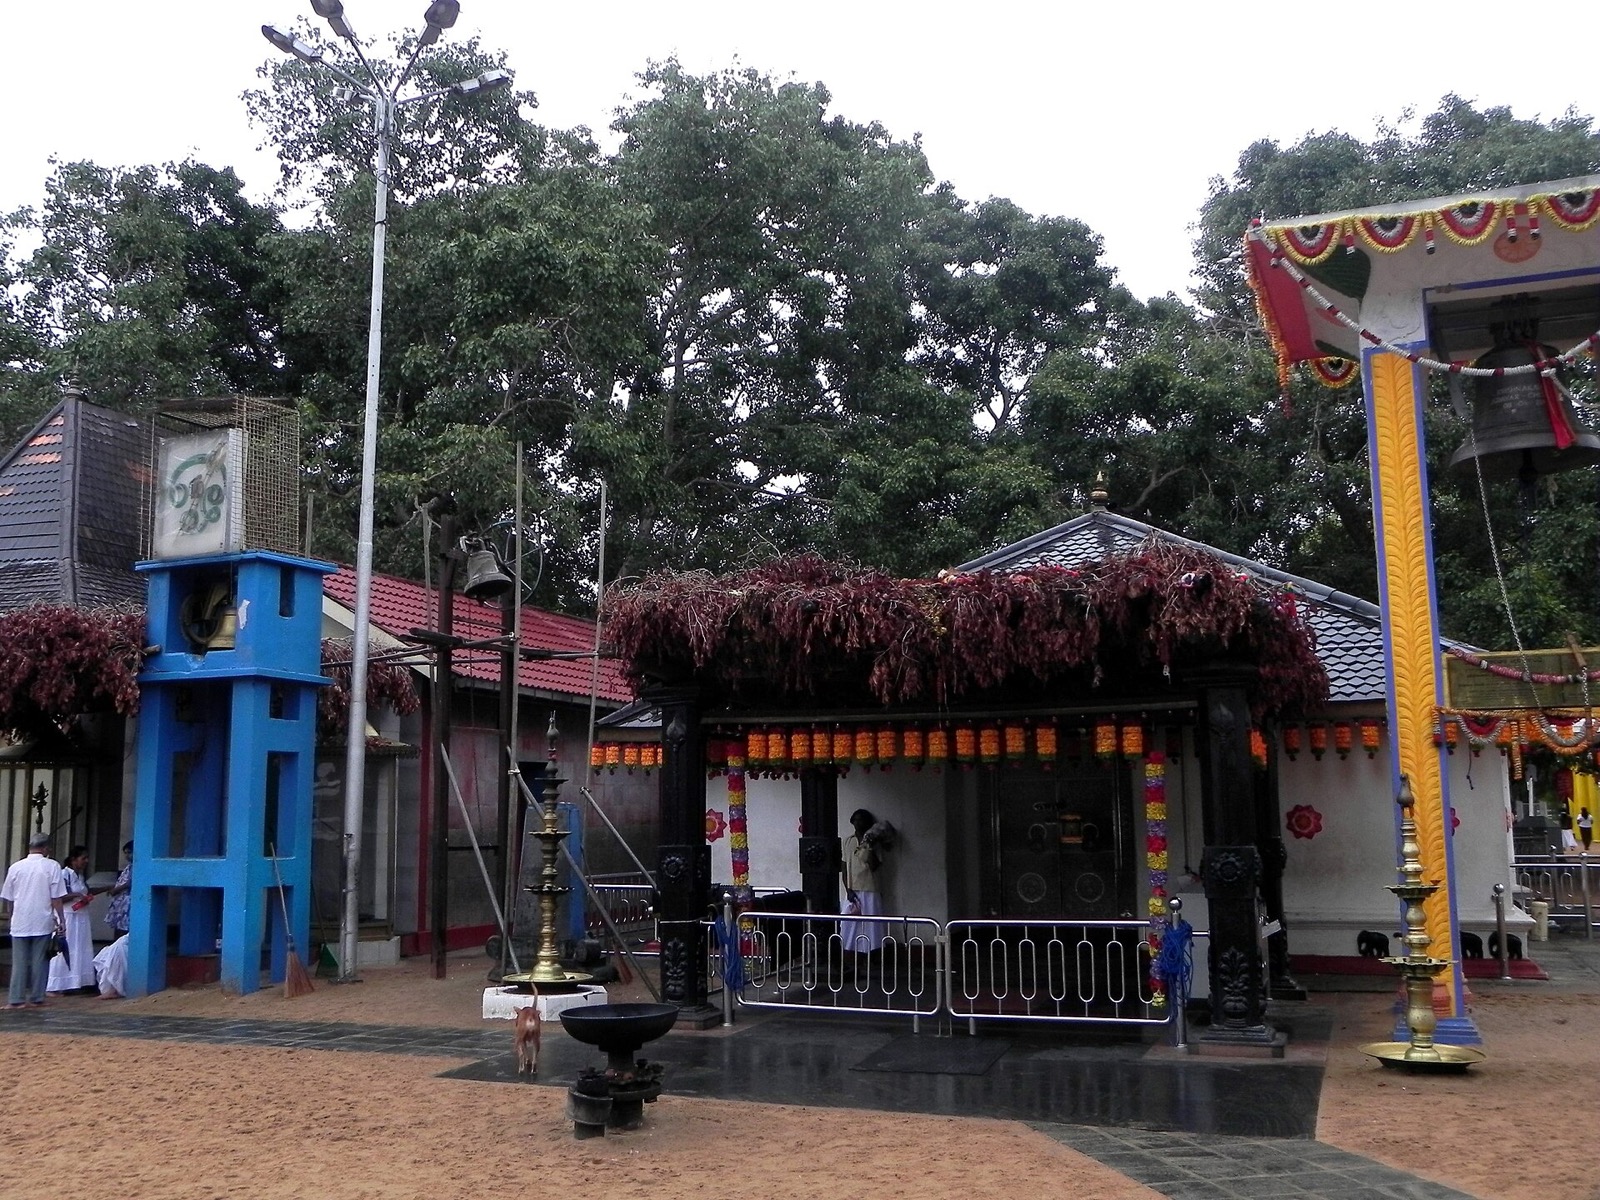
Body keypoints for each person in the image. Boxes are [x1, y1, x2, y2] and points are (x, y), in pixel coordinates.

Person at [1, 832, 67, 1008]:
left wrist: (11, 917)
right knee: (40, 960)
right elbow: (57, 898)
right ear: (45, 848)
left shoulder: (16, 867)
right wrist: (62, 920)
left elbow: (9, 898)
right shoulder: (52, 866)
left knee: (19, 961)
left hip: (20, 920)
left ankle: (16, 999)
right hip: (42, 919)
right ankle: (37, 997)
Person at [47, 845, 97, 994]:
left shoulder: (80, 877)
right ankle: (56, 985)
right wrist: (76, 895)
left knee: (79, 948)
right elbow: (57, 897)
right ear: (73, 860)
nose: (86, 861)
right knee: (65, 949)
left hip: (81, 916)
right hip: (68, 916)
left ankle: (75, 982)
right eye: (83, 858)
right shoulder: (64, 875)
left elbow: (86, 891)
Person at [841, 808, 885, 954]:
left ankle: (872, 953)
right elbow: (844, 867)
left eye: (862, 820)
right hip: (853, 888)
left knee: (871, 924)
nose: (858, 823)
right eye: (856, 820)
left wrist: (869, 847)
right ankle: (851, 952)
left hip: (870, 887)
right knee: (849, 923)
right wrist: (848, 889)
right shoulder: (848, 841)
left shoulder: (874, 842)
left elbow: (875, 866)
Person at [104, 840, 133, 941]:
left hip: (128, 902)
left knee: (124, 930)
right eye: (125, 853)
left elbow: (129, 883)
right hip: (121, 903)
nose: (127, 856)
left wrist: (116, 890)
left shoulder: (135, 867)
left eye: (129, 852)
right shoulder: (128, 867)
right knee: (119, 928)